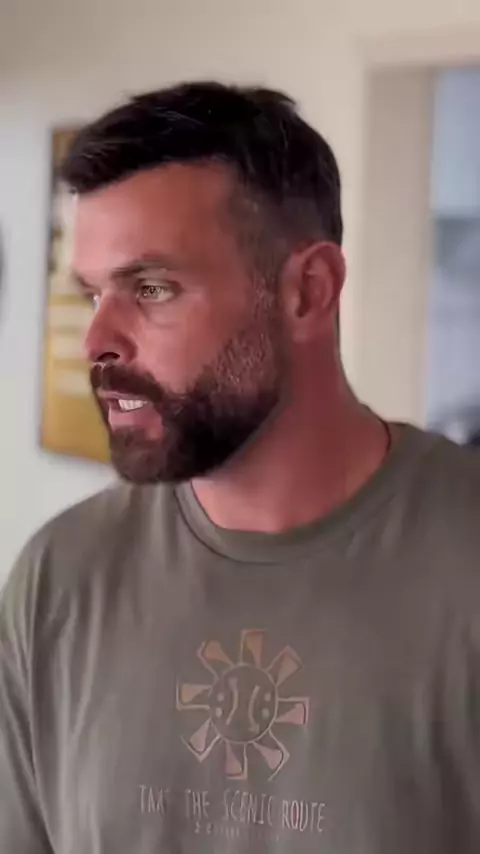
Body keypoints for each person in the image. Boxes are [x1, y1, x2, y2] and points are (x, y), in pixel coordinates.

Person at [1, 81, 480, 854]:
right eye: (92, 294)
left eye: (151, 288)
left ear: (308, 293)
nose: (96, 342)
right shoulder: (59, 579)